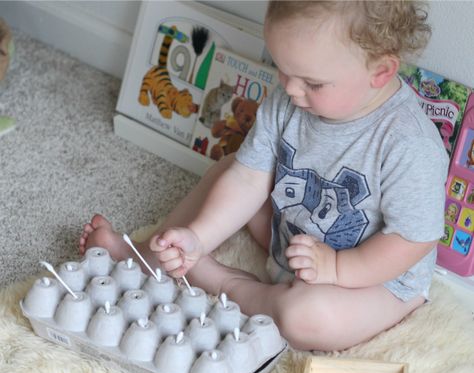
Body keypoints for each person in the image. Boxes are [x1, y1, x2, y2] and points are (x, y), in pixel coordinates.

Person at [80, 1, 448, 351]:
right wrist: (200, 235)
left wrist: (337, 268)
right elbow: (247, 180)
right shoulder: (290, 99)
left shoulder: (408, 143)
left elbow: (411, 241)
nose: (289, 88)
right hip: (292, 232)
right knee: (230, 170)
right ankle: (156, 255)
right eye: (282, 68)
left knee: (306, 317)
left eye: (311, 83)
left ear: (380, 71)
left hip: (375, 280)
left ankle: (224, 282)